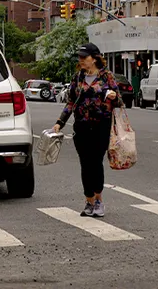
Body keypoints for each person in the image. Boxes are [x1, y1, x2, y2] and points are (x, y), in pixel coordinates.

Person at [52, 43, 121, 218]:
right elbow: (71, 102)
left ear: (95, 58)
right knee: (85, 163)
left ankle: (98, 200)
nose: (81, 60)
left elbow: (119, 101)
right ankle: (88, 200)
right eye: (80, 57)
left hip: (101, 125)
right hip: (81, 126)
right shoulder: (78, 77)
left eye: (85, 57)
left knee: (96, 162)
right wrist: (60, 122)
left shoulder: (107, 76)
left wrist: (113, 96)